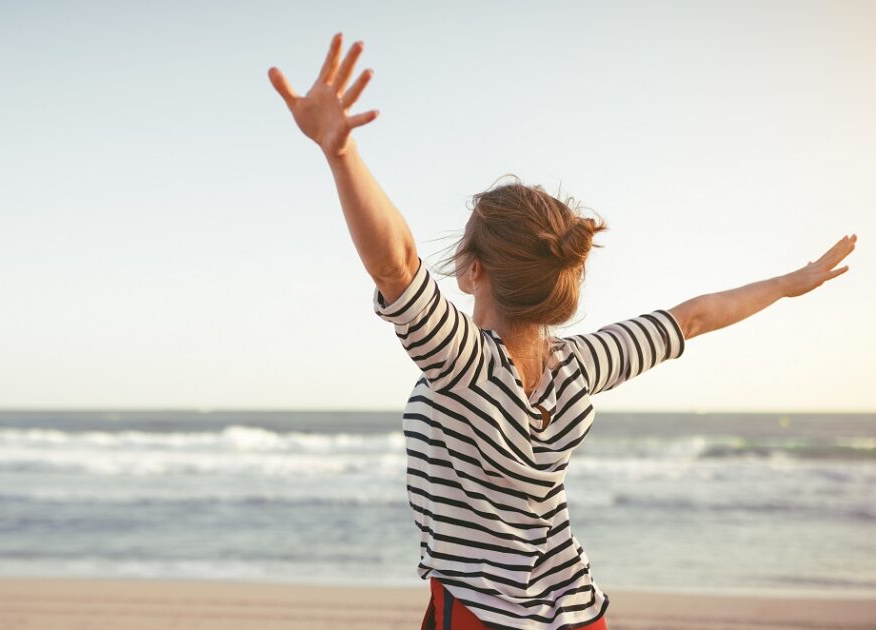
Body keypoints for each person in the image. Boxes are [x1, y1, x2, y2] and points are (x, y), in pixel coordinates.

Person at [268, 32, 857, 630]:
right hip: (578, 611)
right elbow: (693, 318)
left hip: (479, 617)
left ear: (474, 273)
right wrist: (786, 284)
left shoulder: (463, 363)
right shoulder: (581, 365)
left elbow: (395, 263)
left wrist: (341, 156)